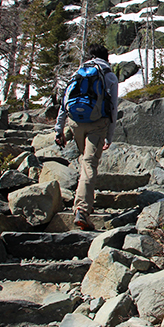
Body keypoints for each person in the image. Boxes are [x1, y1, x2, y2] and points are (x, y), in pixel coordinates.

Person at [54, 44, 119, 231]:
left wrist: (59, 128)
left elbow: (64, 102)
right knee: (89, 164)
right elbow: (113, 108)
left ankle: (81, 199)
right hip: (98, 124)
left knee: (85, 161)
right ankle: (82, 210)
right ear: (106, 58)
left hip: (75, 122)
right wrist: (109, 136)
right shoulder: (109, 75)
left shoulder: (79, 72)